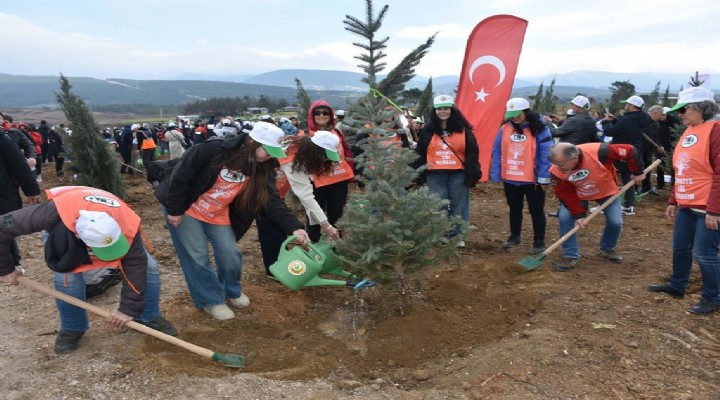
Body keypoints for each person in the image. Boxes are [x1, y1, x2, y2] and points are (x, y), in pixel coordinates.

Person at [156, 121, 309, 320]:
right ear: (253, 142)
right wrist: (175, 210)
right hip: (187, 206)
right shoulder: (213, 150)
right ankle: (210, 300)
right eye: (268, 150)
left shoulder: (262, 166)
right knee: (197, 255)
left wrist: (294, 227)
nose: (270, 156)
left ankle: (231, 290)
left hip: (217, 211)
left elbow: (270, 199)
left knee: (230, 253)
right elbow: (181, 176)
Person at [0, 186, 177, 353]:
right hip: (65, 230)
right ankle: (73, 328)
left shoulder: (126, 221)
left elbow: (135, 264)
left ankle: (147, 316)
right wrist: (6, 269)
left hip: (106, 217)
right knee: (67, 279)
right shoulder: (50, 213)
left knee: (148, 268)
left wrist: (128, 309)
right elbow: (2, 227)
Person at [647, 87, 720, 315]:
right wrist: (673, 199)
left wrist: (715, 210)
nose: (679, 115)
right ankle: (677, 285)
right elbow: (681, 168)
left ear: (702, 108)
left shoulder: (716, 130)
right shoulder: (690, 130)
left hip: (707, 206)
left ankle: (713, 297)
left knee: (705, 254)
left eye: (683, 109)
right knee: (680, 247)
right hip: (687, 203)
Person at [255, 131, 343, 274]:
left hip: (273, 195)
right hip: (264, 196)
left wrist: (321, 223)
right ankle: (275, 270)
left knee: (277, 231)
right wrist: (326, 225)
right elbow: (306, 196)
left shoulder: (299, 151)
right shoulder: (292, 160)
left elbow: (306, 195)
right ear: (316, 151)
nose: (324, 160)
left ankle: (277, 267)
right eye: (324, 156)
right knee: (272, 232)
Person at [548, 142, 645, 271]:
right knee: (565, 218)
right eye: (556, 164)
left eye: (562, 165)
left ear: (574, 158)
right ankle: (570, 255)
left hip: (606, 190)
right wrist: (579, 215)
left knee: (615, 222)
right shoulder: (556, 171)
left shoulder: (600, 152)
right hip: (578, 194)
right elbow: (566, 194)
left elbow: (630, 151)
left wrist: (637, 171)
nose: (559, 168)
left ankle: (607, 248)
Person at [415, 95, 481, 248]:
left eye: (446, 108)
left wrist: (472, 174)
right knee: (437, 206)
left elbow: (472, 153)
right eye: (439, 109)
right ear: (435, 111)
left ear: (452, 110)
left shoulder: (464, 130)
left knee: (459, 206)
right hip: (435, 175)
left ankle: (457, 236)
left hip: (458, 174)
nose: (442, 111)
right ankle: (439, 235)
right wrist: (418, 175)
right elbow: (420, 153)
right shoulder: (428, 130)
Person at [491, 98, 553, 254]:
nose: (514, 118)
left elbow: (546, 154)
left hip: (533, 179)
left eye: (518, 114)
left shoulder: (540, 129)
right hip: (511, 177)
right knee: (514, 208)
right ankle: (515, 236)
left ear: (526, 112)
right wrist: (496, 173)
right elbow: (497, 151)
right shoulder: (504, 128)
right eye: (511, 115)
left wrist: (544, 177)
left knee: (536, 210)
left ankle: (538, 240)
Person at [300, 100, 356, 243]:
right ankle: (314, 244)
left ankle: (337, 245)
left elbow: (346, 152)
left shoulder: (337, 132)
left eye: (325, 112)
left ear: (330, 115)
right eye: (317, 112)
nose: (321, 115)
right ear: (311, 115)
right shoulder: (304, 135)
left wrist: (351, 175)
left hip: (338, 180)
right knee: (314, 216)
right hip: (316, 182)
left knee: (337, 215)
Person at [601, 95, 649, 216]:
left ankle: (607, 205)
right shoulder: (643, 118)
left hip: (620, 152)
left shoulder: (627, 119)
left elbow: (609, 132)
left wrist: (606, 122)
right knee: (628, 179)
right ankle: (628, 206)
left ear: (632, 106)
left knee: (608, 177)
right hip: (633, 152)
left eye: (627, 104)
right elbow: (627, 129)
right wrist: (615, 121)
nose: (625, 106)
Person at [0, 130, 41, 270]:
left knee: (4, 231)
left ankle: (13, 265)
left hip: (2, 194)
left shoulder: (2, 139)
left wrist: (31, 189)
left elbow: (18, 164)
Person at [640, 105, 667, 195]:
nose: (661, 117)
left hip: (648, 150)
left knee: (647, 169)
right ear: (655, 113)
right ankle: (633, 189)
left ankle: (646, 188)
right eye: (661, 114)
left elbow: (655, 137)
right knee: (636, 168)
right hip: (638, 149)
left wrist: (660, 146)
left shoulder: (655, 124)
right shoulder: (642, 121)